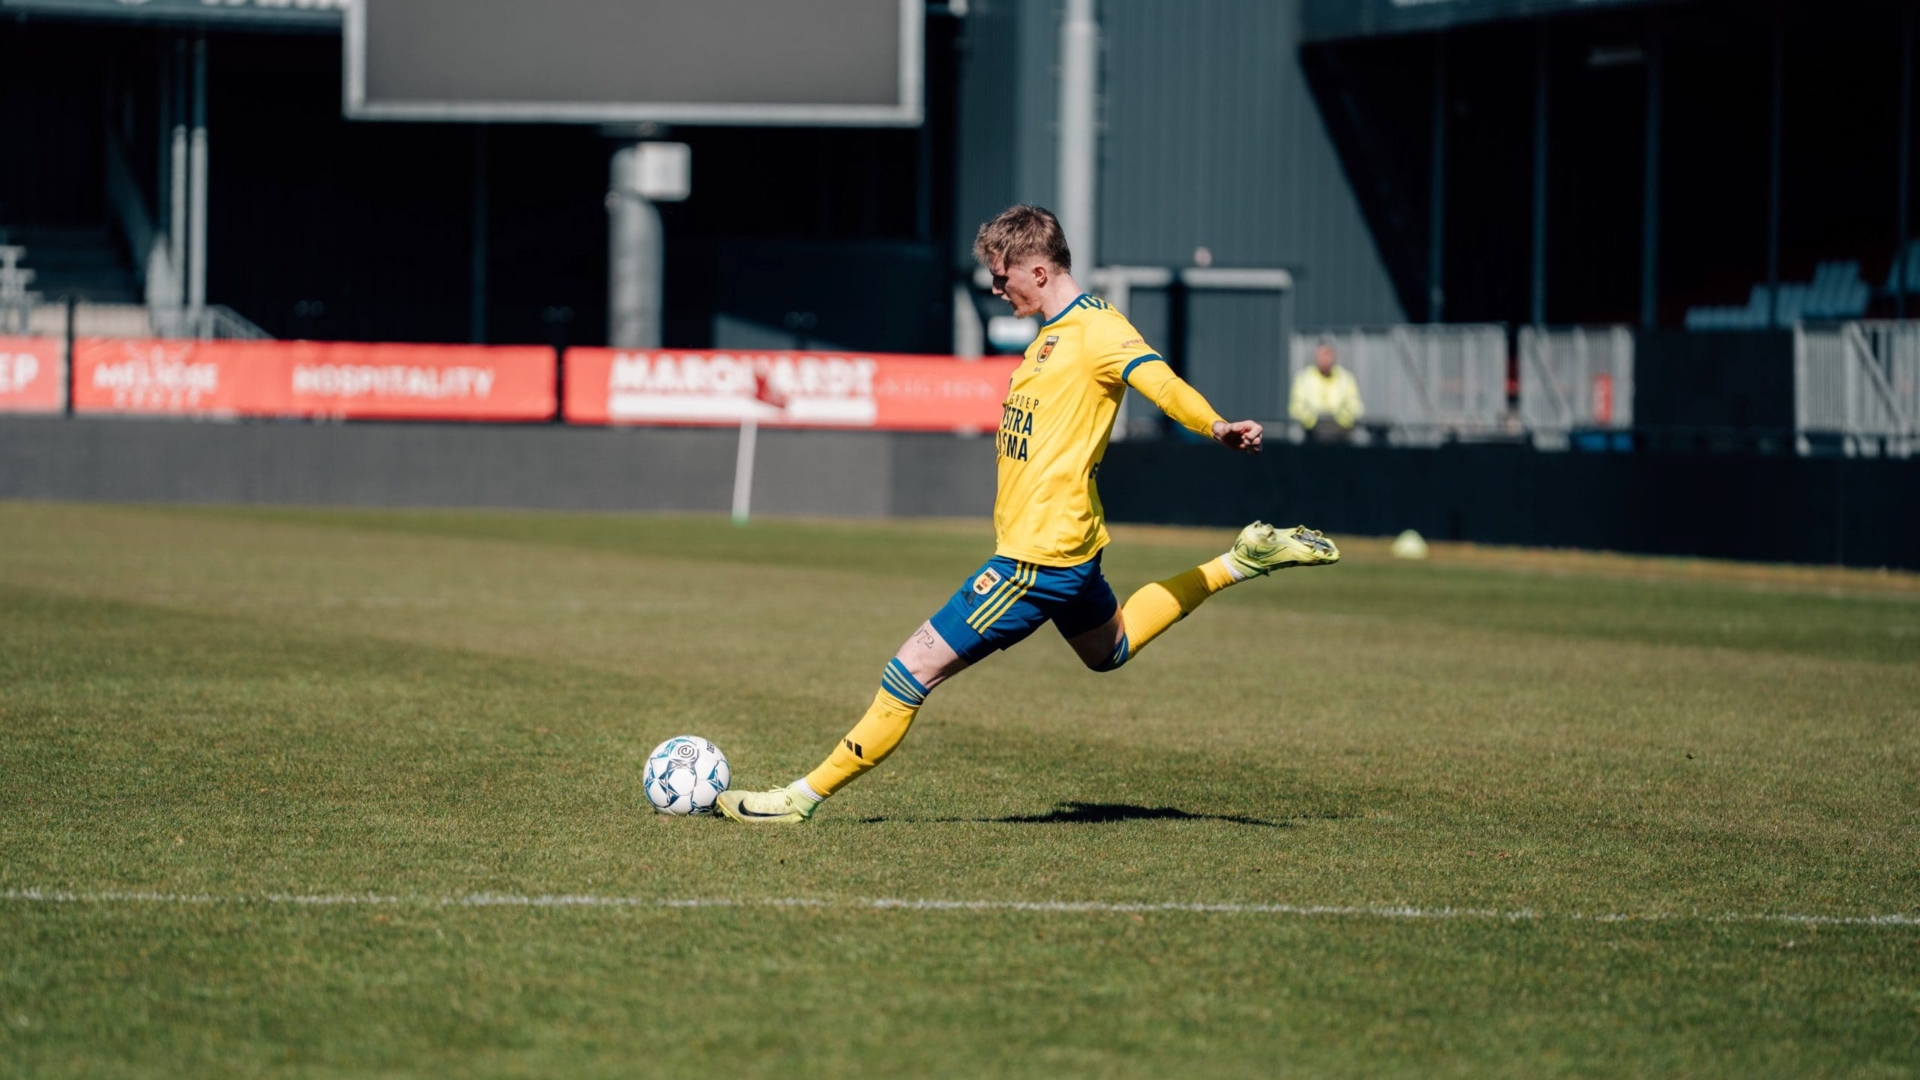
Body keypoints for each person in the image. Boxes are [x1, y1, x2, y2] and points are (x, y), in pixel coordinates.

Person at [717, 205, 1339, 824]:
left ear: (1039, 271)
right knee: (1111, 648)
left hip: (1034, 560)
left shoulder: (1098, 329)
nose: (994, 289)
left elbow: (1159, 379)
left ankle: (797, 801)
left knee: (909, 671)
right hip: (1070, 545)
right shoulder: (1051, 333)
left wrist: (1216, 426)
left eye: (1001, 275)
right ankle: (1240, 560)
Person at [1288, 339, 1364, 442]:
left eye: (1327, 355)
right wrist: (1314, 420)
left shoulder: (1346, 378)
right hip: (1311, 436)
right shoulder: (1303, 378)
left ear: (1334, 356)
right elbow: (1295, 408)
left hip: (1341, 437)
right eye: (1321, 355)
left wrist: (1337, 419)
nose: (1324, 359)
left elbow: (1356, 408)